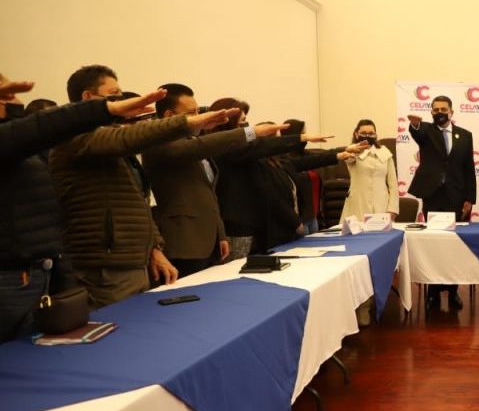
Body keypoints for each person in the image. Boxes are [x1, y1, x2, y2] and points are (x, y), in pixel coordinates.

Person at [0, 74, 164, 340]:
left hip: (41, 270)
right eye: (6, 95)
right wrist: (107, 109)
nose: (15, 100)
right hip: (19, 277)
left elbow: (137, 200)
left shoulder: (21, 149)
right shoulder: (69, 140)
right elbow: (43, 126)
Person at [50, 65, 230, 307]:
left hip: (134, 260)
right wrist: (186, 123)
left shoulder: (108, 140)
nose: (121, 99)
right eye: (113, 93)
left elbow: (137, 202)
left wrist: (154, 249)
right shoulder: (75, 135)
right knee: (117, 327)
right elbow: (129, 137)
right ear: (88, 97)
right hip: (106, 265)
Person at [142, 83, 288, 277]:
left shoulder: (191, 141)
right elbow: (207, 145)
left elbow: (208, 193)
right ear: (169, 115)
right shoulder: (158, 143)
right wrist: (251, 132)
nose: (199, 117)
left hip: (210, 240)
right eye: (191, 113)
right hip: (184, 242)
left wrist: (220, 234)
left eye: (198, 111)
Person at [211, 100, 329, 260]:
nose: (246, 126)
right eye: (242, 122)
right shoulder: (228, 147)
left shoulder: (246, 150)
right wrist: (300, 138)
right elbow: (263, 147)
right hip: (239, 226)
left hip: (257, 225)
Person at [407, 95, 476, 310]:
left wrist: (470, 198)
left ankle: (453, 291)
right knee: (434, 245)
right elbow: (417, 133)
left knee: (454, 246)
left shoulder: (465, 135)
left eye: (443, 109)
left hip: (456, 197)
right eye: (435, 109)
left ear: (451, 111)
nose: (439, 113)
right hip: (433, 196)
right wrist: (415, 125)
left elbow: (469, 168)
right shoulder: (426, 131)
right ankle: (433, 291)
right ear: (431, 112)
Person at [341, 119, 400, 220]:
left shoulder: (385, 152)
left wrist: (392, 209)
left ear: (375, 135)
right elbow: (348, 158)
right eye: (363, 133)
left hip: (382, 205)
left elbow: (393, 184)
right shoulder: (352, 152)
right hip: (357, 205)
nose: (367, 136)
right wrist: (354, 149)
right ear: (356, 134)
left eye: (371, 133)